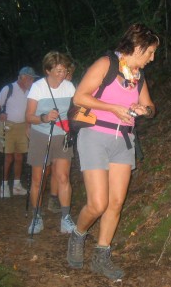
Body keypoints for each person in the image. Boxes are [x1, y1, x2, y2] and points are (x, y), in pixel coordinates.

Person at [67, 23, 159, 280]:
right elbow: (80, 98)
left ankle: (101, 255)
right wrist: (111, 108)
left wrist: (144, 110)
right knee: (98, 203)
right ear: (138, 47)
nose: (152, 58)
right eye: (150, 52)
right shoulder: (105, 64)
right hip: (94, 136)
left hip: (124, 140)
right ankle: (78, 234)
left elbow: (151, 107)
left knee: (115, 203)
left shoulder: (138, 76)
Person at [25, 51, 76, 235]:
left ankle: (65, 218)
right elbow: (29, 116)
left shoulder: (69, 87)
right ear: (48, 70)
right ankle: (36, 217)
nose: (62, 74)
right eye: (58, 71)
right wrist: (45, 117)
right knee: (38, 179)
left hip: (62, 135)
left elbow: (77, 108)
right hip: (41, 135)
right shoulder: (37, 88)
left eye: (64, 70)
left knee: (63, 177)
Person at [0, 66, 38, 198]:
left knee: (19, 156)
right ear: (23, 77)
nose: (32, 81)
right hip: (8, 126)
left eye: (32, 79)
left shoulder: (31, 91)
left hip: (24, 126)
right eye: (30, 78)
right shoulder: (8, 89)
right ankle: (4, 185)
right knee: (8, 157)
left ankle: (17, 186)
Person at [47, 61, 76, 213]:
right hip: (52, 132)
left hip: (66, 133)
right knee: (56, 167)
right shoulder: (52, 89)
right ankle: (53, 198)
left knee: (61, 170)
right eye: (65, 73)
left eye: (69, 74)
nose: (67, 76)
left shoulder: (70, 90)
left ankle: (56, 199)